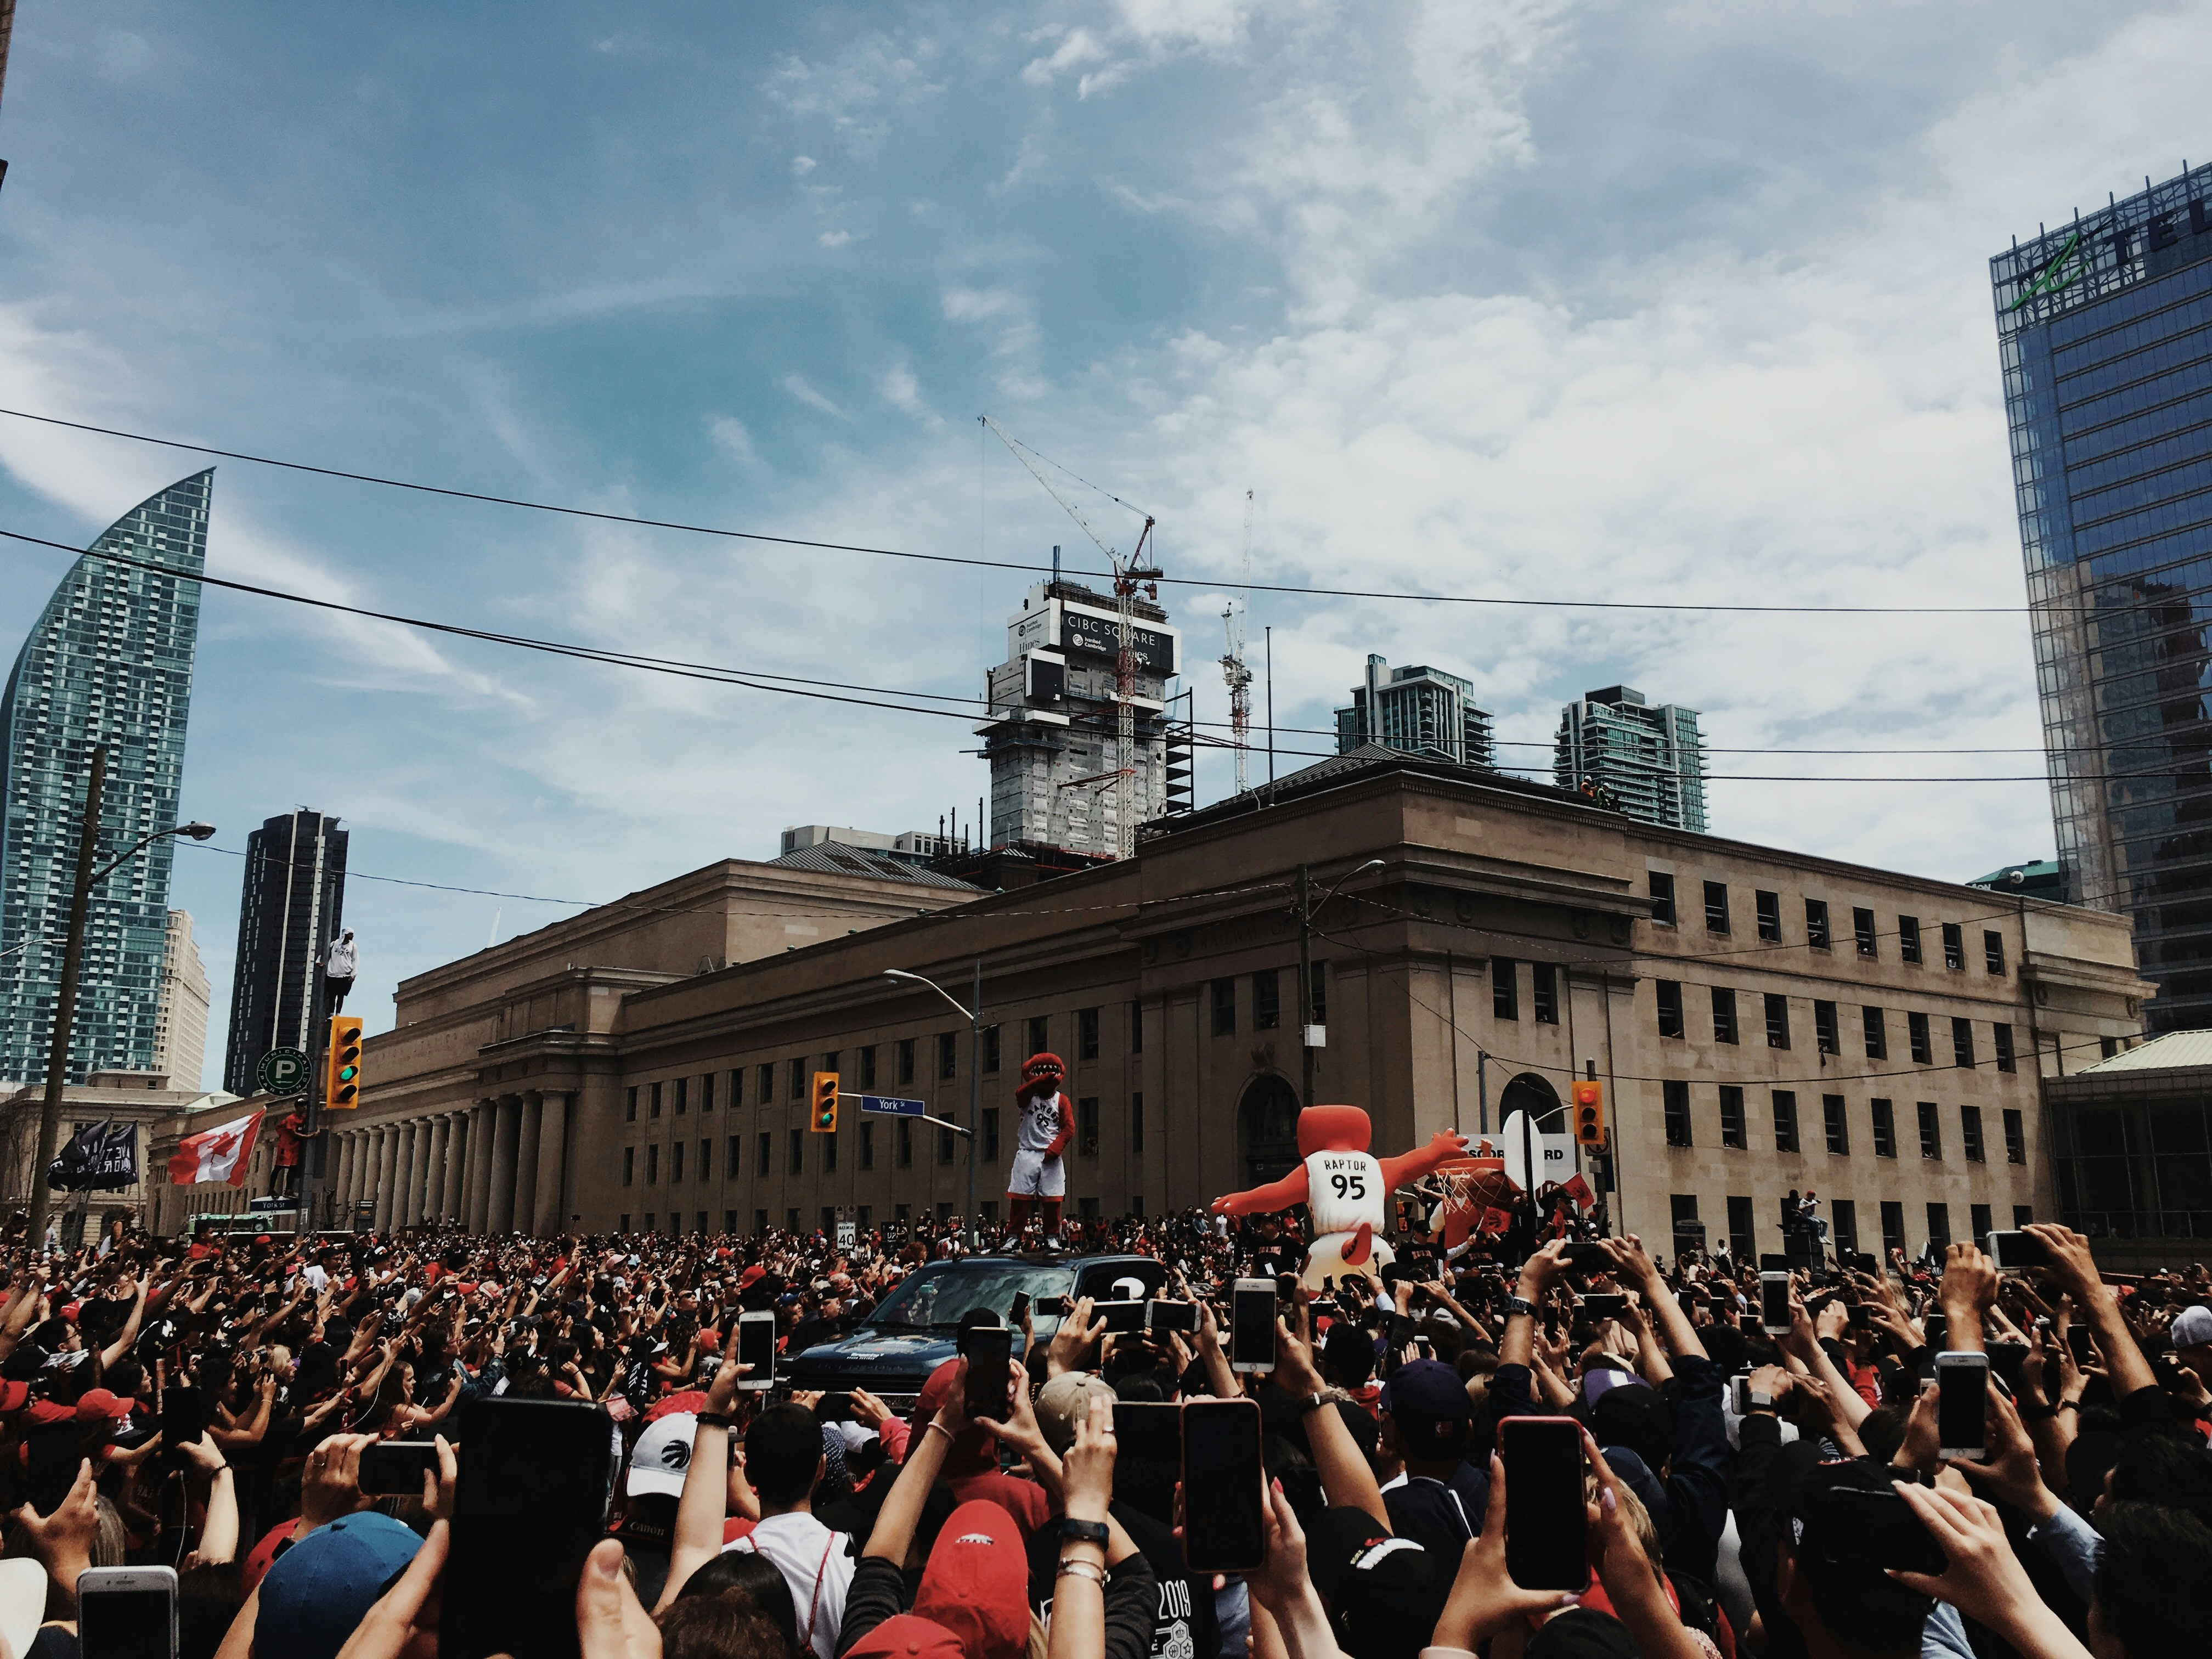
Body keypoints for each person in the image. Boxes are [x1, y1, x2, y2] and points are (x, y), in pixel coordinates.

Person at [1009, 1053, 1074, 1248]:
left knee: (1052, 1200)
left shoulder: (1061, 1100)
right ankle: (1014, 1236)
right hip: (1027, 1151)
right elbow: (1020, 1095)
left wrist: (1056, 1148)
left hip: (1050, 1155)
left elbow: (1069, 1128)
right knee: (1020, 1198)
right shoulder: (1029, 1096)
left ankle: (1052, 1236)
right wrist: (1038, 1081)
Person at [324, 929, 357, 1015]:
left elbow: (355, 960)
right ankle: (331, 1014)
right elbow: (325, 953)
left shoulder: (353, 946)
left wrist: (353, 974)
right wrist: (319, 961)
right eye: (350, 934)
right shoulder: (334, 944)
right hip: (332, 974)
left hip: (345, 975)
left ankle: (338, 1014)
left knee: (341, 996)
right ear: (345, 934)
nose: (352, 936)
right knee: (332, 996)